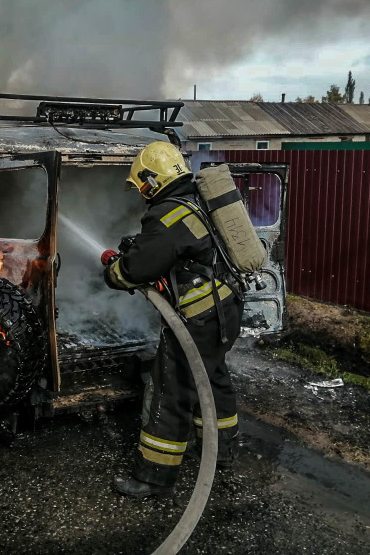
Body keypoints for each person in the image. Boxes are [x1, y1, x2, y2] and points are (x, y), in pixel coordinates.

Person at [103, 141, 244, 498]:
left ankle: (153, 477)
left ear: (152, 180)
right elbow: (181, 247)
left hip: (196, 319)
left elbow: (136, 270)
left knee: (169, 392)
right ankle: (220, 450)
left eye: (143, 186)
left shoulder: (164, 213)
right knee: (213, 380)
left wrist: (114, 270)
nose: (143, 194)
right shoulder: (194, 198)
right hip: (225, 308)